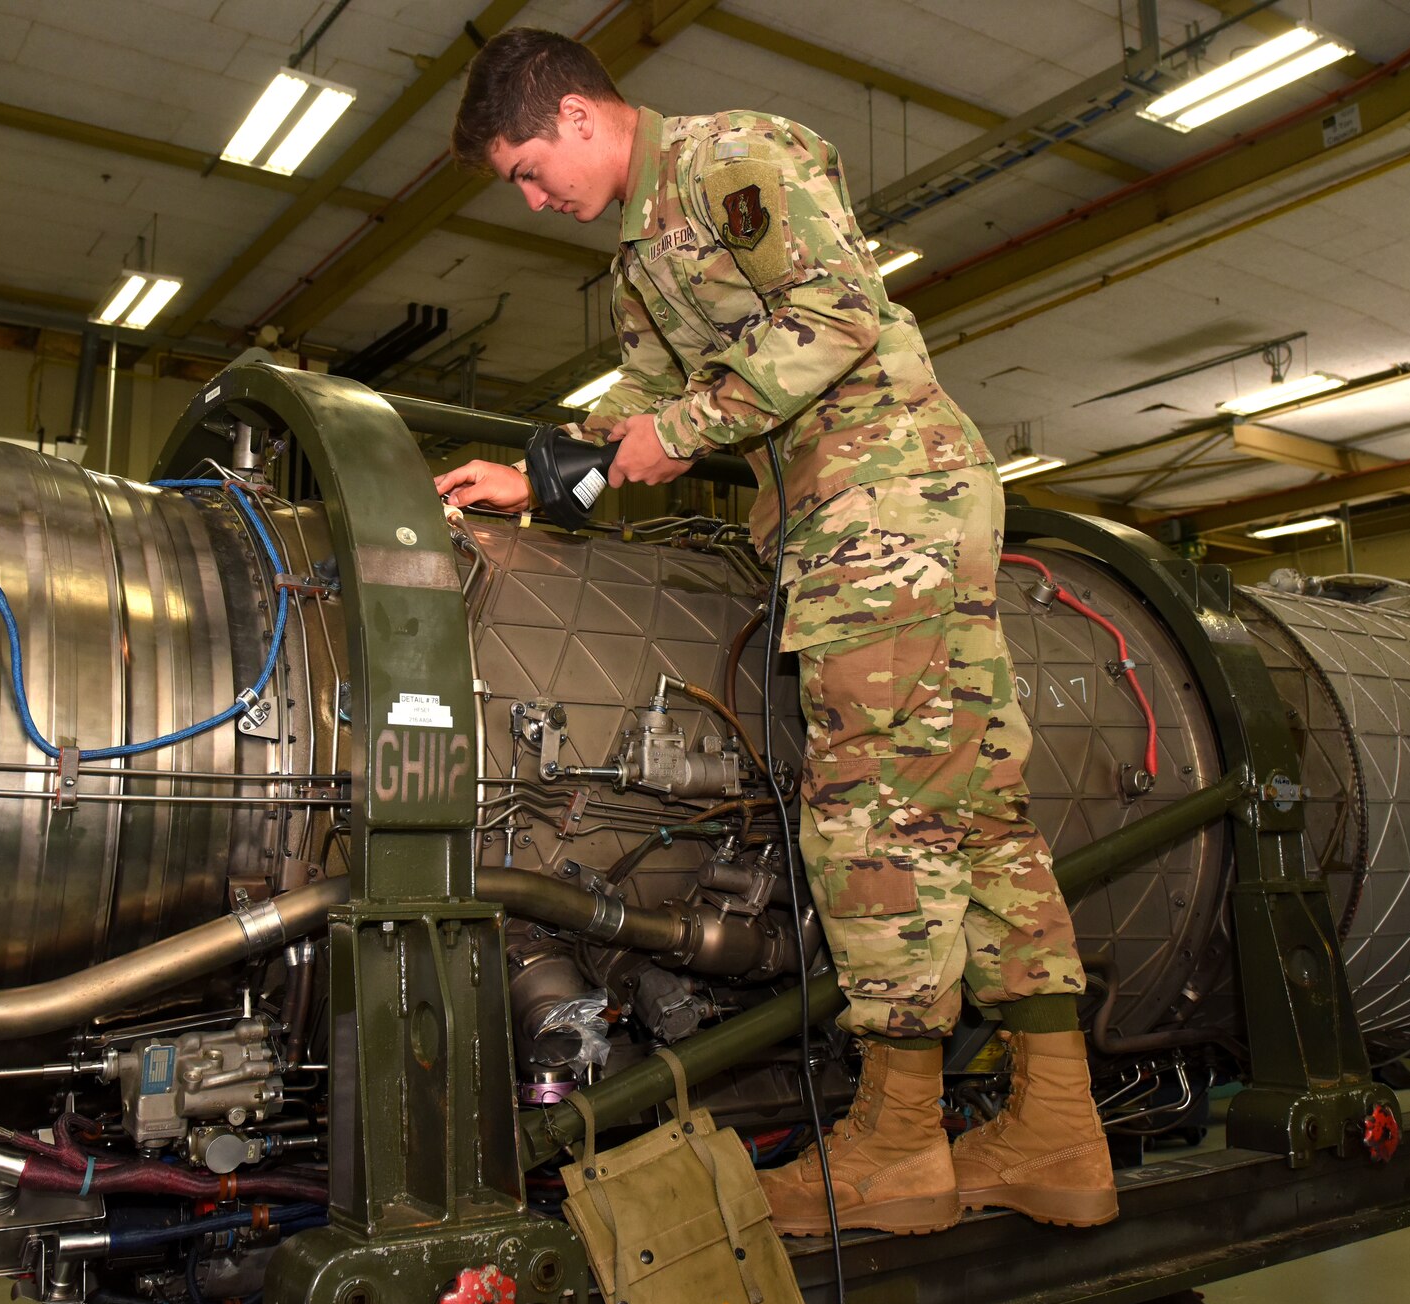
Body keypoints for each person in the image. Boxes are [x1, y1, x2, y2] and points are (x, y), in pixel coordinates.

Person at [435, 29, 1116, 1236]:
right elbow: (638, 402)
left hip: (881, 499)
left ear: (580, 117)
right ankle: (1056, 1127)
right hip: (862, 508)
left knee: (869, 810)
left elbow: (837, 314)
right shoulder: (639, 261)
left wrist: (688, 433)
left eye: (530, 169)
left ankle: (899, 1145)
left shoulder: (733, 158)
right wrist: (538, 476)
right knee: (973, 808)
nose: (535, 198)